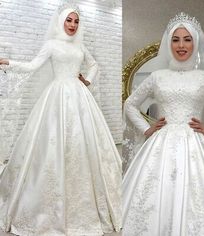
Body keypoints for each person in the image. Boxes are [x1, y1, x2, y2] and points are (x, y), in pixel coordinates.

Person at [0, 4, 121, 236]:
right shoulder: (51, 45)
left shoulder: (80, 46)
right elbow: (33, 66)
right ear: (61, 22)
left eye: (76, 21)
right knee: (51, 144)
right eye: (69, 20)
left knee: (82, 144)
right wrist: (9, 62)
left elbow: (95, 65)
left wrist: (88, 81)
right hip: (56, 97)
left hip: (80, 97)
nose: (73, 25)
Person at [123, 12, 204, 236]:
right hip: (160, 144)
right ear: (168, 43)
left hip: (196, 145)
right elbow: (130, 104)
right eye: (175, 40)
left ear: (195, 42)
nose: (181, 45)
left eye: (187, 39)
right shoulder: (157, 76)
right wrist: (146, 128)